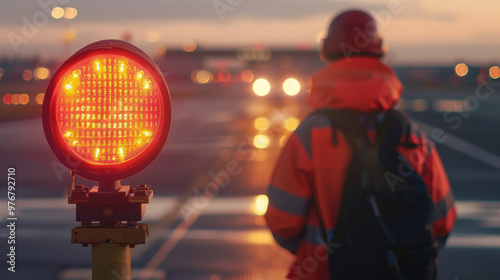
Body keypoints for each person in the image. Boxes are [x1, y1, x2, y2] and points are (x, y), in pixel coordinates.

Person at [264, 9, 456, 280]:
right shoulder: (411, 134)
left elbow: (283, 220)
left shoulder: (311, 133)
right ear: (380, 52)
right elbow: (443, 219)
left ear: (327, 52)